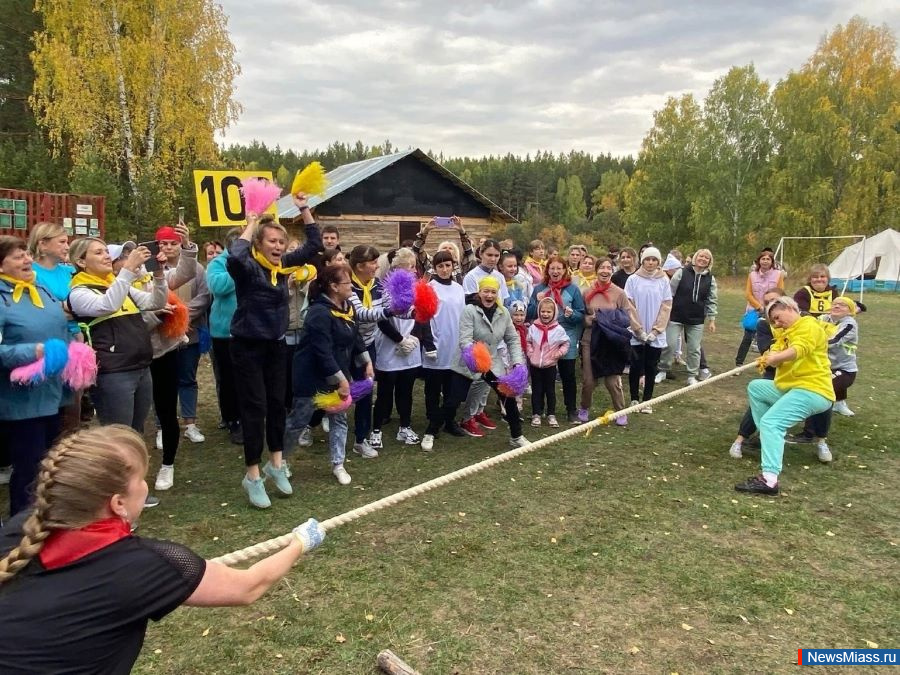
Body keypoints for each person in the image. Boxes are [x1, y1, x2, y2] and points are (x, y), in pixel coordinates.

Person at [0, 425, 325, 673]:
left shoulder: (22, 529)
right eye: (143, 479)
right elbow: (248, 586)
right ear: (118, 504)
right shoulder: (141, 566)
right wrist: (301, 541)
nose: (147, 484)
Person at [226, 195, 322, 508]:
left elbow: (313, 245)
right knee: (254, 409)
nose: (279, 246)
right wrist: (253, 219)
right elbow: (235, 255)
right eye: (272, 241)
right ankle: (253, 476)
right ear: (259, 242)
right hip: (247, 346)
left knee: (278, 405)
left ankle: (276, 465)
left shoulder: (281, 269)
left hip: (276, 345)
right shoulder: (249, 268)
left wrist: (304, 208)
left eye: (282, 241)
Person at [66, 237, 168, 508]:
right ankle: (113, 497)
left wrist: (158, 275)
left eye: (104, 252)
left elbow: (156, 302)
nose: (105, 256)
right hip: (114, 372)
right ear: (80, 261)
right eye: (97, 253)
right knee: (116, 438)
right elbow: (107, 306)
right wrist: (127, 270)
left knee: (134, 433)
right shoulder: (79, 292)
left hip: (140, 367)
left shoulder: (117, 283)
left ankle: (131, 492)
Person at [735, 296, 835, 495]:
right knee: (756, 387)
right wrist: (765, 360)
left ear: (790, 308)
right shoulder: (785, 334)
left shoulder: (809, 326)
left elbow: (799, 350)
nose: (777, 323)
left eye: (778, 317)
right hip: (793, 388)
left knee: (773, 422)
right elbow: (776, 353)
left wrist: (775, 358)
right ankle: (768, 437)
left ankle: (769, 480)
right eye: (773, 321)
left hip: (813, 390)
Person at [0, 236, 70, 515]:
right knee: (29, 467)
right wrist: (34, 351)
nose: (28, 260)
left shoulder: (39, 288)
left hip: (54, 392)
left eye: (27, 254)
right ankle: (20, 532)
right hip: (21, 402)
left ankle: (46, 521)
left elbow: (61, 325)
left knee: (51, 463)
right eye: (18, 257)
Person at [285, 265, 372, 486]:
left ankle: (338, 464)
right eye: (346, 282)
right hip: (311, 377)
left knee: (339, 419)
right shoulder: (318, 313)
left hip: (338, 372)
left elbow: (355, 337)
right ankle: (281, 461)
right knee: (299, 420)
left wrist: (366, 361)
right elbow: (322, 352)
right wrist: (342, 380)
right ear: (333, 287)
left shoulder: (348, 306)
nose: (351, 286)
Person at [137, 224, 200, 491]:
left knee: (166, 408)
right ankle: (134, 471)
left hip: (163, 353)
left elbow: (185, 272)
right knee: (136, 417)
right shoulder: (115, 288)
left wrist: (187, 246)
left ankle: (167, 466)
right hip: (133, 358)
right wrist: (155, 316)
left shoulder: (152, 279)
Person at [449, 276, 529, 447]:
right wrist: (475, 358)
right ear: (480, 292)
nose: (490, 295)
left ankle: (516, 436)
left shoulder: (504, 312)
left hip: (492, 363)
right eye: (486, 291)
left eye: (493, 292)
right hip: (468, 362)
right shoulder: (469, 310)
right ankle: (432, 432)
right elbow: (465, 339)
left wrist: (517, 363)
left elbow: (512, 339)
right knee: (453, 399)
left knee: (508, 396)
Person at [347, 245, 401, 455]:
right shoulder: (347, 286)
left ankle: (361, 439)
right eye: (373, 263)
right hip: (345, 346)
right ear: (360, 266)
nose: (377, 266)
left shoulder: (377, 284)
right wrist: (389, 310)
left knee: (365, 392)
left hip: (368, 345)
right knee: (334, 390)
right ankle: (311, 422)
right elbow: (361, 313)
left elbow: (391, 307)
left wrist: (411, 311)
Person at [371, 248, 422, 448]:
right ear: (399, 269)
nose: (413, 271)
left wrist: (413, 337)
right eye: (410, 267)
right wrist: (399, 339)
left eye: (414, 266)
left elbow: (420, 315)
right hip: (389, 345)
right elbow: (382, 320)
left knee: (406, 389)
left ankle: (405, 426)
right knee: (385, 390)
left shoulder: (417, 289)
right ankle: (376, 430)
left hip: (411, 346)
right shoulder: (384, 289)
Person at [528, 255, 586, 424]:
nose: (555, 271)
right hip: (543, 340)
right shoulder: (539, 288)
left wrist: (572, 314)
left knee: (568, 375)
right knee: (543, 377)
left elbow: (581, 313)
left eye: (558, 268)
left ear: (564, 270)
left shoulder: (572, 289)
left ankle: (571, 410)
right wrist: (535, 303)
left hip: (565, 335)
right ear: (547, 270)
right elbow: (530, 313)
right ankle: (541, 411)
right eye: (552, 268)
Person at [459, 240, 509, 435]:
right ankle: (468, 415)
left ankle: (480, 410)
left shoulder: (499, 276)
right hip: (480, 331)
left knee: (493, 374)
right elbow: (472, 302)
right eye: (489, 255)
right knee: (480, 377)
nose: (492, 259)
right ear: (481, 254)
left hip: (496, 331)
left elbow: (502, 301)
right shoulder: (472, 276)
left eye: (496, 256)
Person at [728, 288, 784, 459]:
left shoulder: (800, 321)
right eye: (767, 302)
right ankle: (739, 440)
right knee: (759, 400)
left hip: (798, 373)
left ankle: (819, 440)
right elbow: (765, 349)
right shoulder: (764, 323)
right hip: (773, 371)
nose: (771, 305)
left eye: (775, 300)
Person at [420, 251, 467, 451]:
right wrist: (429, 344)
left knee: (451, 387)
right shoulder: (429, 288)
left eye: (448, 265)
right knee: (433, 387)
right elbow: (424, 317)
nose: (445, 270)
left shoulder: (458, 288)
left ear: (453, 265)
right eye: (440, 266)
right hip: (437, 345)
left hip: (455, 344)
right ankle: (433, 420)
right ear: (435, 267)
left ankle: (449, 421)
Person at [656, 248, 717, 386]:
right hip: (676, 315)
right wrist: (664, 312)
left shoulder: (710, 279)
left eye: (706, 258)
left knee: (694, 348)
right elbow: (669, 293)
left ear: (709, 261)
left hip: (696, 319)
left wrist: (712, 319)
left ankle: (692, 375)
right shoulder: (682, 272)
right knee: (669, 344)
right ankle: (663, 370)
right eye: (701, 256)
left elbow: (712, 300)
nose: (703, 259)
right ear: (696, 257)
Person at [581, 256, 630, 425]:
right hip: (591, 339)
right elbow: (582, 317)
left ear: (612, 271)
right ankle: (584, 408)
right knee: (589, 379)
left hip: (611, 341)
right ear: (596, 270)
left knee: (612, 380)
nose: (605, 271)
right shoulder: (586, 292)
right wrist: (591, 319)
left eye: (608, 268)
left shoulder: (619, 293)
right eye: (601, 268)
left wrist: (610, 319)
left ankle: (621, 411)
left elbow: (627, 316)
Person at [624, 247, 672, 413]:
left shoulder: (663, 280)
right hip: (637, 331)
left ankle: (647, 400)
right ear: (642, 261)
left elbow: (666, 306)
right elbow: (629, 305)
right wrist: (638, 330)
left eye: (654, 260)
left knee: (651, 366)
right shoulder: (633, 280)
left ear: (658, 262)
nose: (650, 263)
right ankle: (634, 399)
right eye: (647, 259)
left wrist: (656, 331)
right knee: (636, 365)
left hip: (654, 332)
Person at [206, 228, 242, 445]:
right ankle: (233, 420)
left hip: (250, 330)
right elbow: (218, 287)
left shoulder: (256, 260)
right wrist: (238, 268)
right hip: (224, 332)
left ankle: (248, 416)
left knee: (248, 378)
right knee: (228, 379)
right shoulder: (218, 263)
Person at [735, 248, 784, 366]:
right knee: (747, 338)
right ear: (759, 261)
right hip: (754, 311)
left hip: (771, 310)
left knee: (769, 339)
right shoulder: (752, 275)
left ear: (772, 262)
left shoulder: (778, 275)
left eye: (768, 259)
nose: (765, 261)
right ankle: (739, 363)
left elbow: (780, 292)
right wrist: (758, 306)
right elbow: (748, 293)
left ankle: (768, 363)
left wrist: (769, 307)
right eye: (763, 259)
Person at [527, 297, 569, 428]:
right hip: (535, 365)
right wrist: (530, 353)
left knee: (550, 390)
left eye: (548, 312)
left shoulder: (558, 330)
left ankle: (551, 414)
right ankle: (536, 414)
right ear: (539, 312)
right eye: (543, 311)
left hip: (550, 365)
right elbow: (528, 341)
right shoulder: (534, 327)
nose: (545, 314)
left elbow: (566, 343)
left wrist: (558, 354)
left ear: (554, 313)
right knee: (536, 390)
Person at [412, 216, 476, 282]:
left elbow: (469, 253)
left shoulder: (461, 266)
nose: (447, 249)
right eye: (444, 248)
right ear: (438, 251)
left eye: (450, 248)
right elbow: (417, 250)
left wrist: (462, 232)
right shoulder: (430, 263)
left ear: (456, 252)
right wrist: (425, 231)